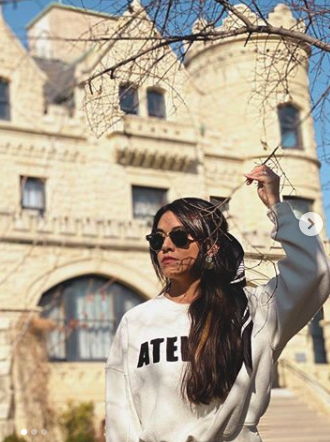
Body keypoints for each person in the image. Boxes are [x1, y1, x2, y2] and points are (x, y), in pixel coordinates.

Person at [104, 164, 330, 442]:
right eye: (157, 239)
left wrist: (277, 206)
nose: (166, 246)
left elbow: (314, 271)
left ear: (211, 246)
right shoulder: (136, 321)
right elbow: (120, 415)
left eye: (178, 236)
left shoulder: (255, 310)